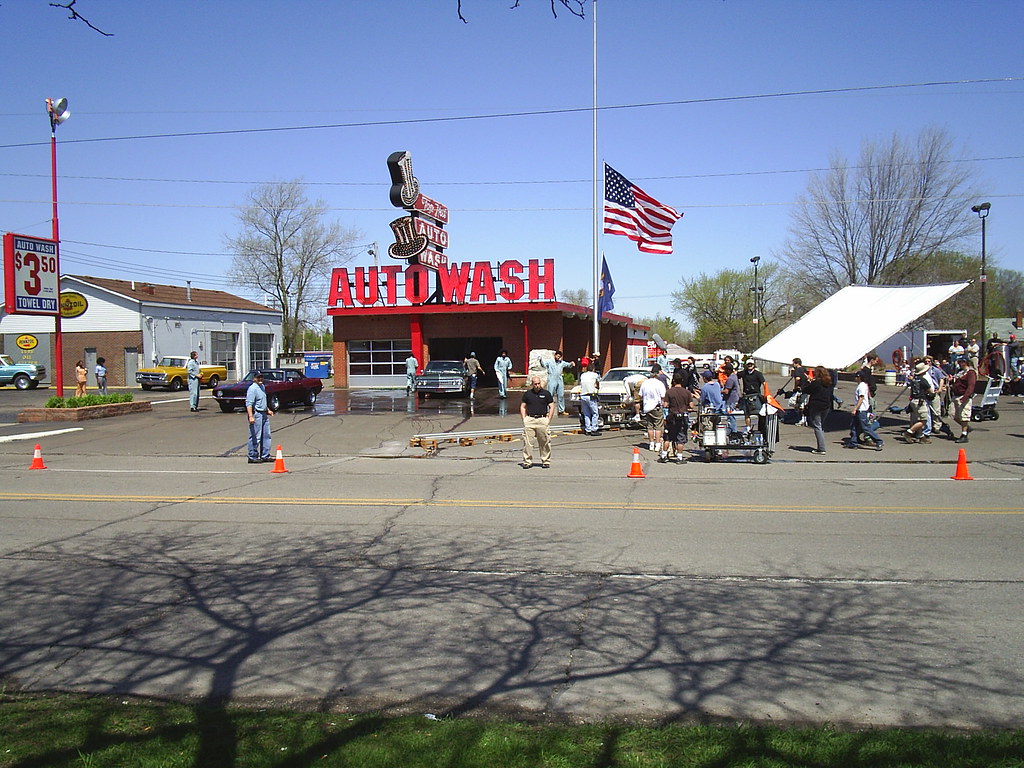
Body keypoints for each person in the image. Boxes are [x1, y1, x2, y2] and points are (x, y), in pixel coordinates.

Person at [520, 374, 555, 469]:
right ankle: (527, 461)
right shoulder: (528, 394)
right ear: (532, 384)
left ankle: (545, 460)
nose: (537, 385)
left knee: (544, 441)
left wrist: (548, 419)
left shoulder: (546, 394)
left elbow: (552, 406)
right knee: (528, 442)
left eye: (539, 383)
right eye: (535, 384)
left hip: (542, 420)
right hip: (530, 420)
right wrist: (524, 419)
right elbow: (523, 407)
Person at [847, 371, 883, 450]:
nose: (854, 378)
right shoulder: (863, 385)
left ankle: (879, 441)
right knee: (854, 426)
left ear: (859, 377)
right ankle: (853, 443)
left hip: (861, 410)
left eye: (856, 377)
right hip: (860, 409)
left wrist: (855, 409)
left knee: (865, 428)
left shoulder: (861, 386)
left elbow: (861, 398)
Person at [245, 370, 275, 463]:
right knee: (255, 436)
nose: (260, 379)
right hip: (256, 414)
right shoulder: (252, 388)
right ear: (254, 379)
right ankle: (252, 456)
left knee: (266, 435)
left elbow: (262, 401)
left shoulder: (262, 386)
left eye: (261, 377)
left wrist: (268, 410)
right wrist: (251, 416)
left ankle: (265, 455)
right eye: (258, 377)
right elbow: (249, 403)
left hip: (264, 413)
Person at [663, 371, 693, 464]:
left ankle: (664, 456)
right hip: (682, 417)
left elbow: (665, 405)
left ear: (674, 381)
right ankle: (679, 458)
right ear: (682, 381)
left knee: (667, 437)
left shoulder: (669, 392)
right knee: (681, 438)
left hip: (672, 417)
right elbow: (691, 405)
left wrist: (668, 405)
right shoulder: (687, 392)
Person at [803, 366, 833, 455]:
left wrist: (808, 381)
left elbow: (806, 390)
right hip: (826, 406)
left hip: (816, 406)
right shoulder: (828, 383)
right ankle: (821, 445)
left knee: (817, 426)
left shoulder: (816, 383)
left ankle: (821, 448)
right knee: (820, 426)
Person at [902, 361, 934, 443]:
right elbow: (930, 390)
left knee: (919, 419)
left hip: (913, 400)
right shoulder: (923, 380)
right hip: (920, 401)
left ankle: (921, 436)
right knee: (923, 420)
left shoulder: (914, 380)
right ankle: (909, 432)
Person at [639, 365, 668, 455]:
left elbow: (640, 395)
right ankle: (658, 444)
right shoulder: (659, 383)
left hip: (647, 407)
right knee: (658, 426)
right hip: (656, 406)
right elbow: (663, 396)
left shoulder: (645, 383)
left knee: (650, 426)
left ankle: (651, 443)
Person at [949, 357, 977, 443]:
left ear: (966, 362)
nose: (960, 363)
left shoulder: (971, 373)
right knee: (953, 414)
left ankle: (964, 434)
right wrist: (951, 381)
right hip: (955, 395)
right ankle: (967, 427)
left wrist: (965, 397)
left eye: (961, 362)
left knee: (964, 416)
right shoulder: (960, 372)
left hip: (963, 396)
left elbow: (971, 386)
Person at [737, 360, 765, 432]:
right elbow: (735, 375)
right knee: (747, 413)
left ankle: (761, 429)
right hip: (746, 395)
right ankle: (748, 428)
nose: (750, 365)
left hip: (756, 395)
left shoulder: (758, 374)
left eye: (751, 364)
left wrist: (766, 394)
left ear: (754, 365)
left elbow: (764, 383)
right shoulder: (744, 373)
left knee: (760, 412)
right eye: (748, 364)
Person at [543, 350, 573, 415]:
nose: (558, 358)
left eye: (559, 357)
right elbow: (543, 364)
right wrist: (540, 360)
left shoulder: (561, 362)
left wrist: (571, 364)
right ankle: (548, 410)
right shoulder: (550, 362)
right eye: (557, 356)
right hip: (551, 378)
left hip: (559, 379)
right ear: (555, 355)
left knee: (561, 394)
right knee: (550, 394)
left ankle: (561, 410)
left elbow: (568, 365)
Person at [578, 362, 601, 435]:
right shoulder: (595, 375)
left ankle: (588, 429)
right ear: (593, 369)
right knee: (595, 413)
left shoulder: (582, 375)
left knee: (586, 413)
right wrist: (597, 387)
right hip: (591, 395)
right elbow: (598, 382)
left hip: (583, 395)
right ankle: (594, 429)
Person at [720, 363, 740, 432]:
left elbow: (726, 391)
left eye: (725, 370)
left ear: (728, 370)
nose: (724, 371)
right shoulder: (734, 376)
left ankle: (733, 431)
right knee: (731, 416)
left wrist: (717, 391)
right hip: (733, 399)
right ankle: (732, 430)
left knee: (731, 417)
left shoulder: (730, 379)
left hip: (731, 400)